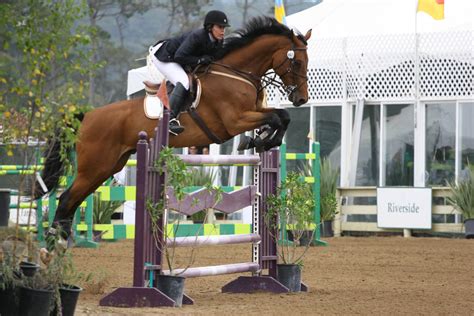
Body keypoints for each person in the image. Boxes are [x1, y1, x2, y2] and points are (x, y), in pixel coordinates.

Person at [149, 10, 230, 135]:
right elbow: (179, 56)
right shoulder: (197, 36)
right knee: (184, 81)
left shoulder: (219, 41)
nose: (223, 31)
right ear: (210, 27)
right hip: (165, 57)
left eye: (224, 28)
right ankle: (168, 120)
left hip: (180, 59)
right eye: (220, 27)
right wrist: (200, 59)